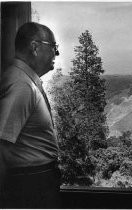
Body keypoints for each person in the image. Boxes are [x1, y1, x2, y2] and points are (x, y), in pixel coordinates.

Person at [0, 22, 61, 208]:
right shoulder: (22, 85)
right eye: (53, 47)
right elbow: (2, 146)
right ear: (35, 47)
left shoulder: (26, 82)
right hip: (29, 187)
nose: (56, 54)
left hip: (36, 183)